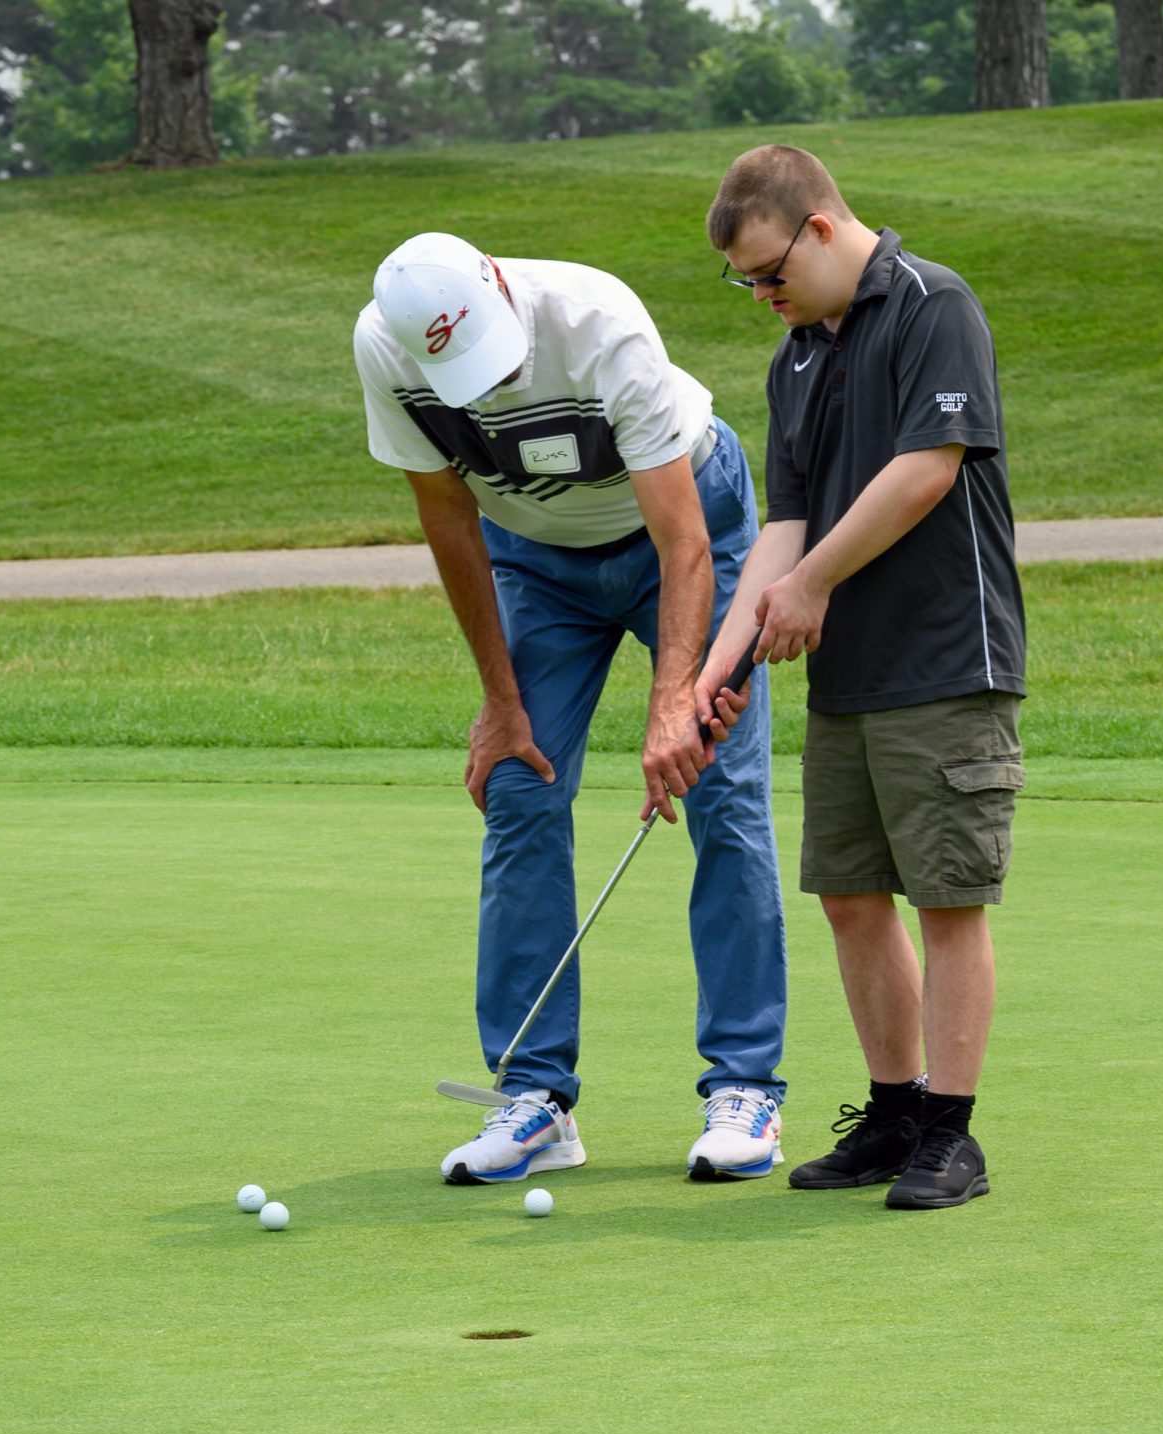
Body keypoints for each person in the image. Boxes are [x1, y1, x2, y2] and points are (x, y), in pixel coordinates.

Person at [353, 231, 789, 1186]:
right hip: (534, 561)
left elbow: (684, 543)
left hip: (682, 527)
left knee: (722, 792)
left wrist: (673, 702)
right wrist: (498, 701)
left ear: (502, 288)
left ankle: (745, 1088)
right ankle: (534, 1096)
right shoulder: (385, 347)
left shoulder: (597, 320)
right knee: (518, 786)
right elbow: (447, 519)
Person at [696, 146, 1025, 1211]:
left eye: (768, 272)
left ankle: (950, 1133)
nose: (761, 297)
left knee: (946, 896)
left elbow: (926, 470)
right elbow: (780, 527)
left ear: (822, 228)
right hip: (845, 668)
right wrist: (718, 665)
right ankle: (892, 1110)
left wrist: (812, 589)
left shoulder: (935, 304)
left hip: (943, 656)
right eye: (744, 283)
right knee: (849, 892)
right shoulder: (795, 354)